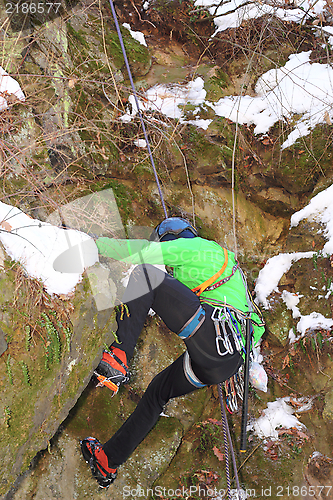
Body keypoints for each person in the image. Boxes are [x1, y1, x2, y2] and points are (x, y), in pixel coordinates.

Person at [80, 217, 265, 488]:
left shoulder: (199, 248)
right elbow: (255, 331)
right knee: (157, 393)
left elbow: (144, 254)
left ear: (175, 238)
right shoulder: (232, 273)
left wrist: (95, 244)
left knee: (146, 274)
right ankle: (107, 460)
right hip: (223, 362)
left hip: (212, 335)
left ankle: (118, 357)